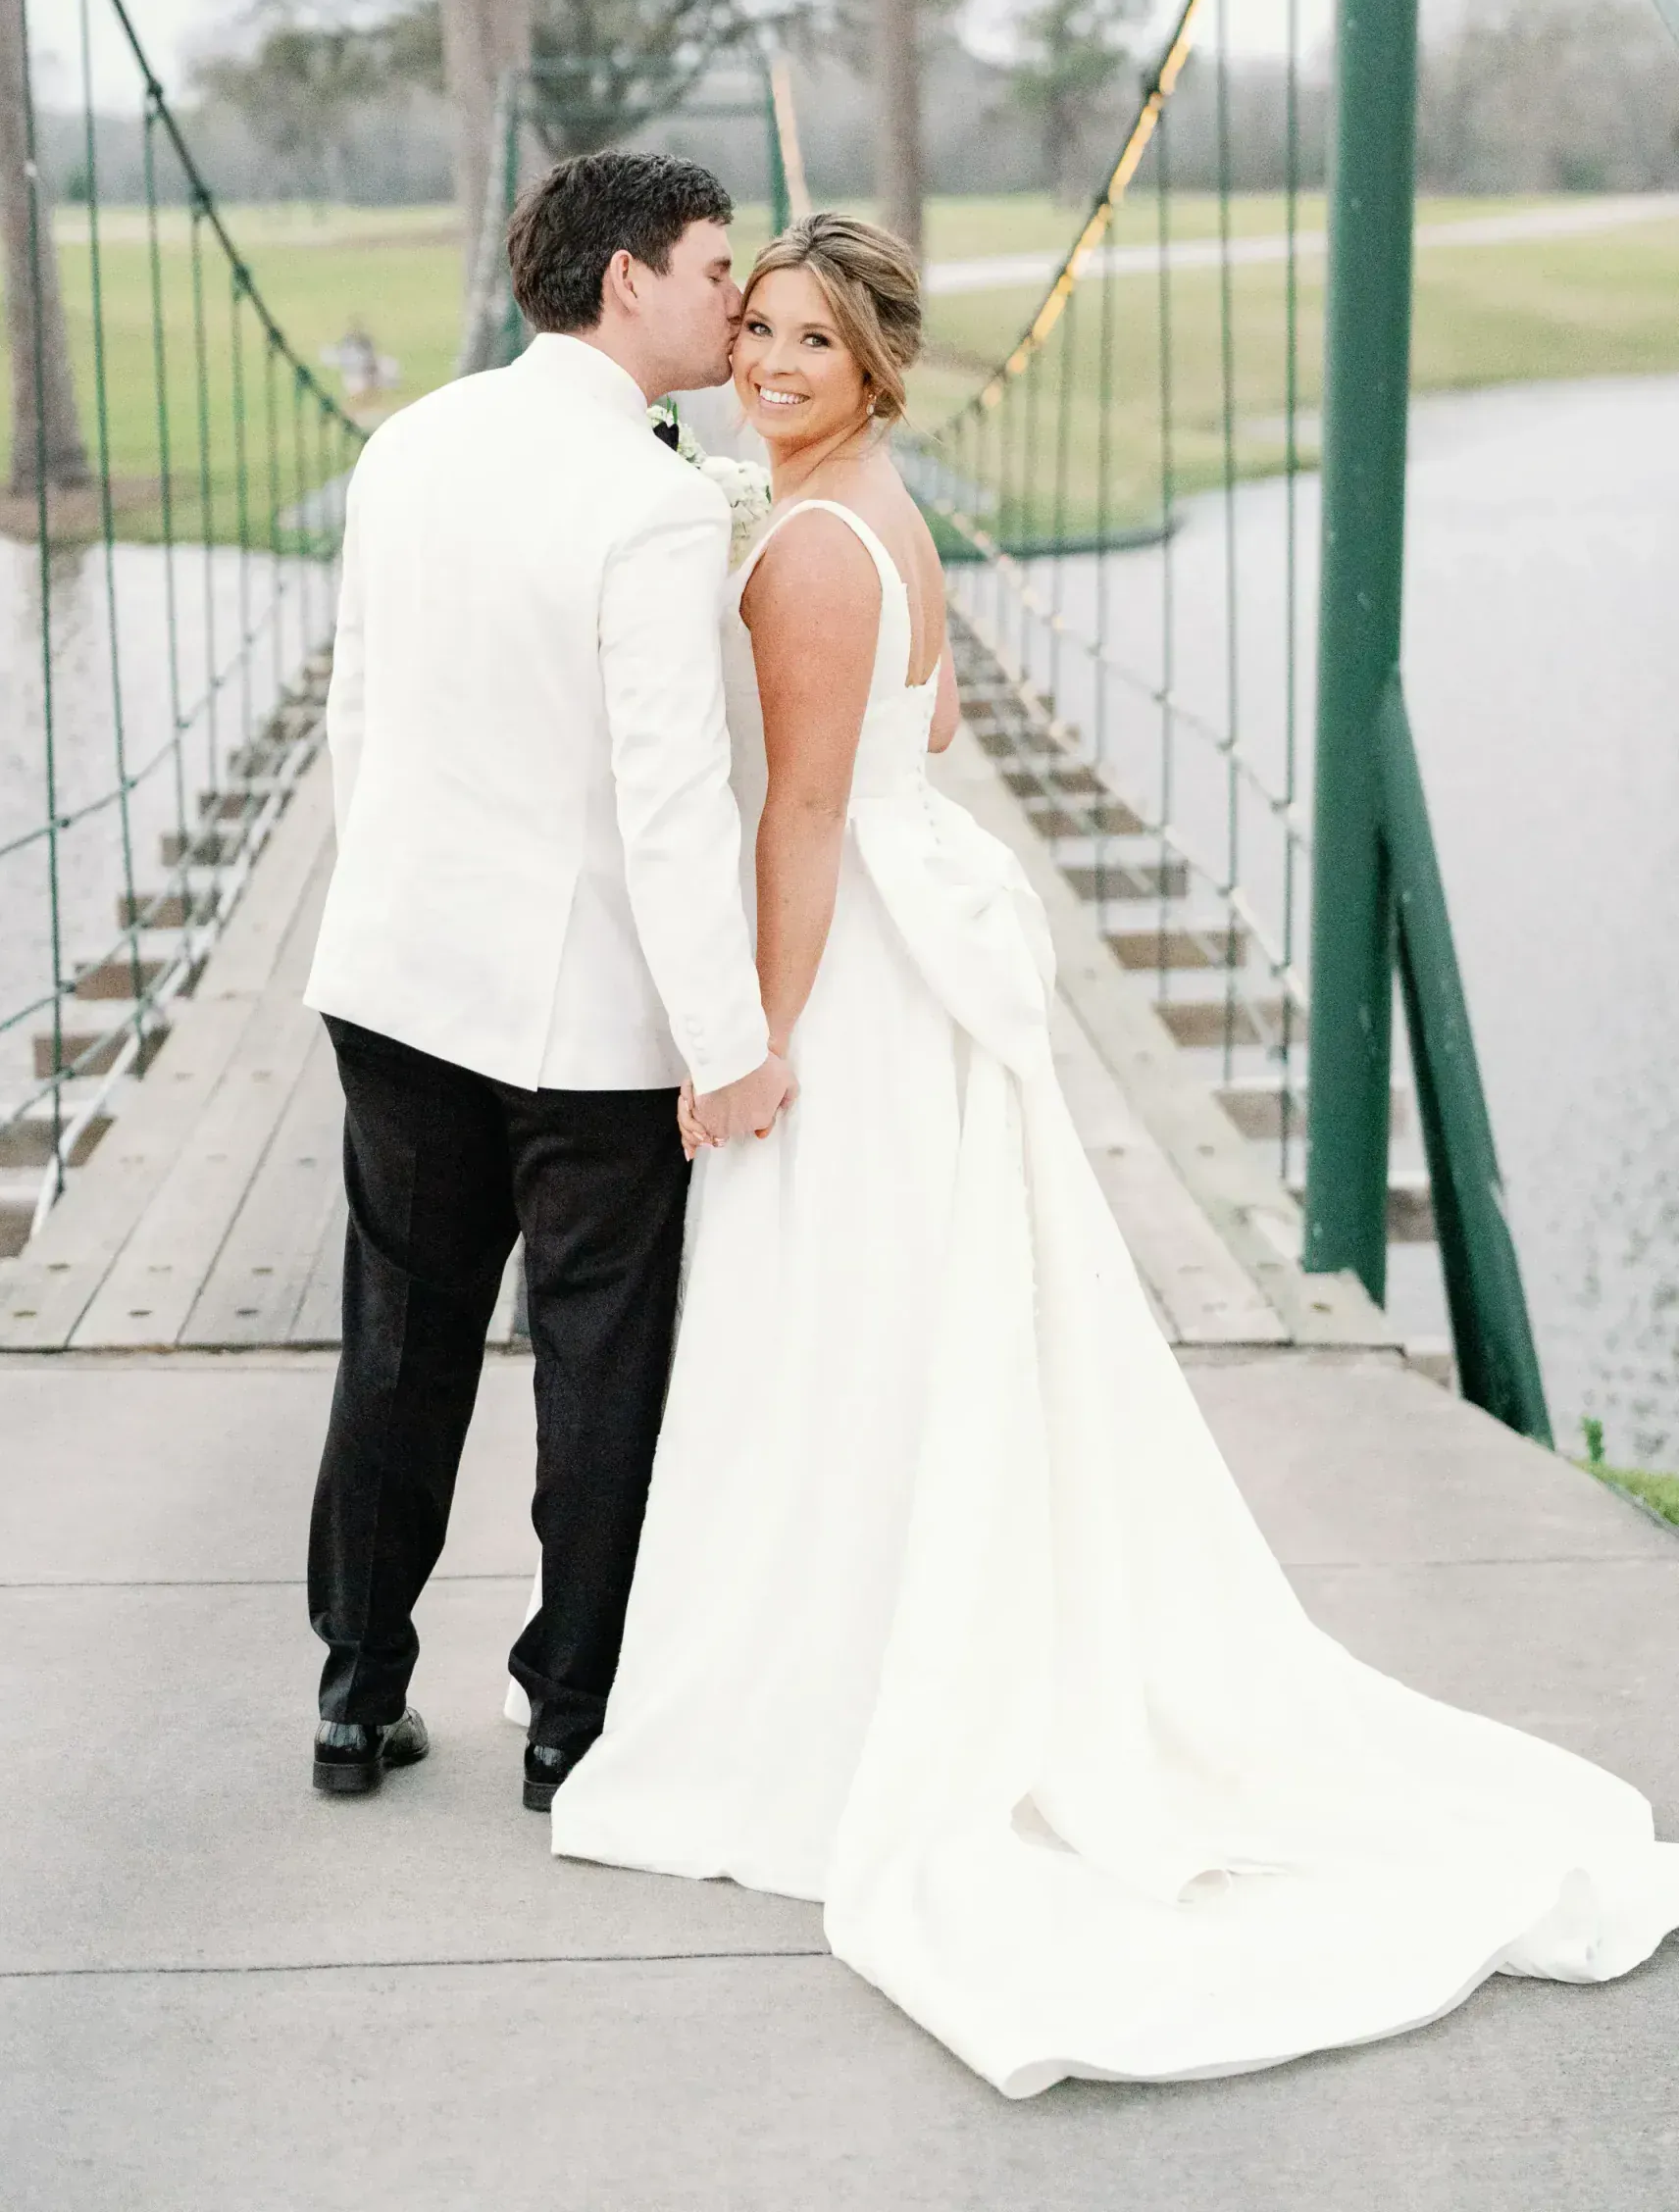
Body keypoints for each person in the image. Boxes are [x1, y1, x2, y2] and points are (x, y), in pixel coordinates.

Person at [548, 210, 1679, 2096]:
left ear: (877, 369)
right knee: (903, 1329)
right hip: (925, 946)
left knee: (838, 1325)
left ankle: (826, 1710)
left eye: (809, 345)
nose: (763, 365)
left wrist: (741, 1051)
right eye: (753, 328)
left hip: (853, 984)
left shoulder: (813, 549)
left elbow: (806, 822)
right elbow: (937, 729)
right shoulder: (872, 515)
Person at [302, 152, 791, 1810]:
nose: (736, 297)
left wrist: (380, 910)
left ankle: (357, 1697)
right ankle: (570, 1721)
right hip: (582, 1024)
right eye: (717, 267)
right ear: (626, 282)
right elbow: (674, 801)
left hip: (395, 983)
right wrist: (729, 1043)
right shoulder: (651, 501)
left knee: (399, 1345)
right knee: (598, 1367)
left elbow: (354, 713)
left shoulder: (407, 442)